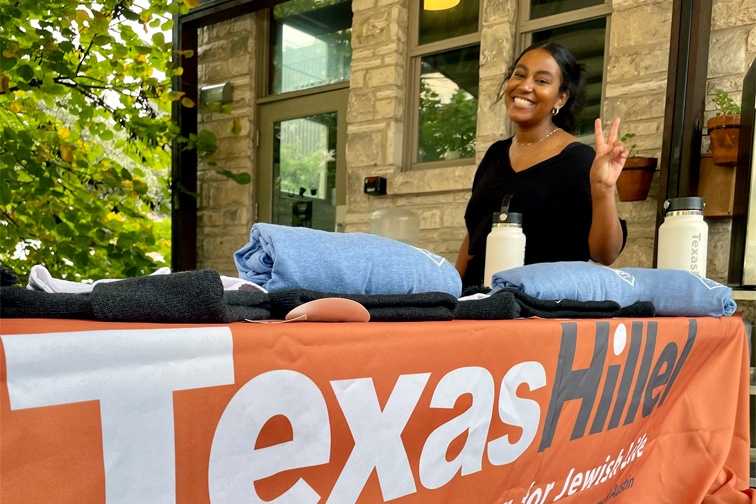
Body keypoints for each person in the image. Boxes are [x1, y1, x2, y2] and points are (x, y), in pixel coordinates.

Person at [455, 41, 628, 288]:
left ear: (561, 98)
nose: (525, 86)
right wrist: (450, 294)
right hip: (477, 306)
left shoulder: (579, 160)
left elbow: (606, 254)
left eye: (542, 81)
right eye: (520, 74)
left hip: (541, 311)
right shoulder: (495, 155)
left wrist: (604, 190)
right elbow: (473, 238)